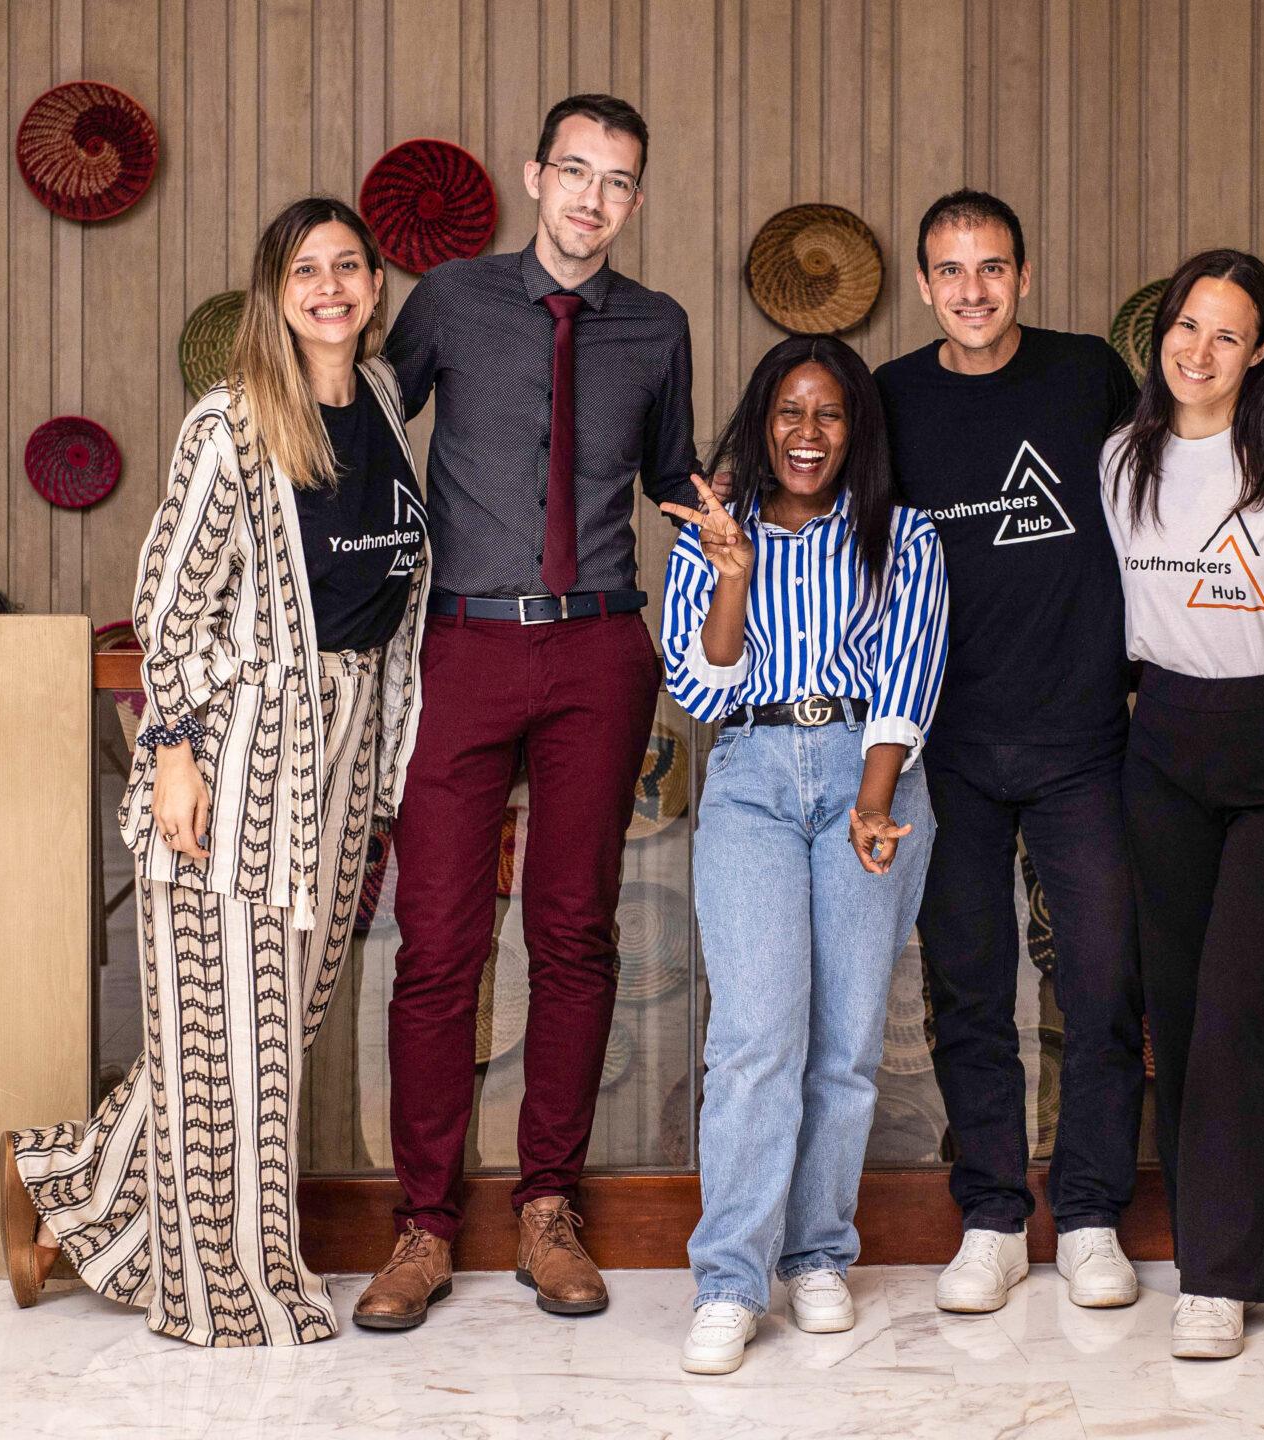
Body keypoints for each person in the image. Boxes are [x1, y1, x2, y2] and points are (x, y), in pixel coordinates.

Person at [0, 196, 431, 1347]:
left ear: (376, 287)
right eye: (305, 271)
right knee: (227, 1033)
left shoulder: (385, 402)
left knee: (267, 1027)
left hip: (342, 754)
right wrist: (175, 751)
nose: (330, 287)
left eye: (349, 266)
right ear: (272, 292)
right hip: (237, 750)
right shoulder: (230, 423)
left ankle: (70, 1184)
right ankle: (234, 1288)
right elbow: (167, 602)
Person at [353, 93, 698, 1330]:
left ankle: (548, 1208)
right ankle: (425, 1225)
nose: (590, 200)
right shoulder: (449, 300)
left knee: (574, 933)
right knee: (437, 943)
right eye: (574, 172)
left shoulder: (657, 326)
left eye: (616, 182)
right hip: (462, 648)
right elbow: (366, 431)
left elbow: (669, 478)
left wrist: (742, 503)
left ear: (635, 201)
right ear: (534, 175)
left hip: (600, 652)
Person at [871, 190, 1148, 1312]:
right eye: (950, 269)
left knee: (1101, 983)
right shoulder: (889, 398)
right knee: (970, 988)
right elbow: (843, 534)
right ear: (925, 282)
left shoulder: (1088, 377)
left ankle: (1087, 1214)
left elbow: (1183, 477)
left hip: (1087, 736)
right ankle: (990, 1212)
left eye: (991, 267)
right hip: (949, 742)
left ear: (1023, 276)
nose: (972, 289)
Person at [657, 335, 950, 1375]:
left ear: (855, 429)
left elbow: (909, 676)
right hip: (750, 776)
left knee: (845, 1040)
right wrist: (732, 574)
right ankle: (730, 1281)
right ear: (761, 421)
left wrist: (873, 804)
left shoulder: (901, 534)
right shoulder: (710, 537)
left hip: (871, 770)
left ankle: (818, 1253)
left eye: (829, 414)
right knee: (753, 1040)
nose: (808, 433)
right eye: (790, 412)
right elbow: (700, 692)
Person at [1101, 249, 1264, 1360]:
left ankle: (1213, 1276)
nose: (1197, 351)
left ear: (1262, 353)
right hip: (1161, 745)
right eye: (1184, 326)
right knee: (1182, 1008)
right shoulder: (1120, 455)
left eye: (1226, 334)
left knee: (1242, 1005)